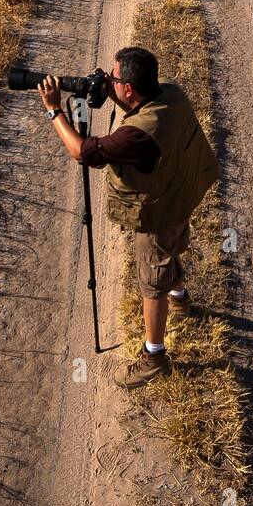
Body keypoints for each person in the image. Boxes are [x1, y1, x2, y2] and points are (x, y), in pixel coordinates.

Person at [37, 46, 219, 389]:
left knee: (152, 282)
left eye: (115, 79)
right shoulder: (172, 94)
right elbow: (139, 107)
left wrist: (53, 110)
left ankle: (154, 357)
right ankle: (179, 299)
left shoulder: (135, 136)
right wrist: (114, 93)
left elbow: (82, 150)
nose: (111, 82)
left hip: (158, 211)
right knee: (172, 248)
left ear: (129, 88)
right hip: (183, 192)